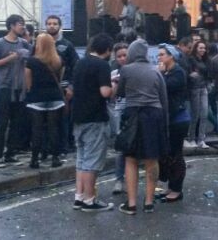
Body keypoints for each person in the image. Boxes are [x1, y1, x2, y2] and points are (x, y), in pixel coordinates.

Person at [117, 39, 169, 215]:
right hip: (154, 115)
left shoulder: (126, 70)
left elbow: (121, 93)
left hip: (133, 115)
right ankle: (149, 202)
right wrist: (165, 125)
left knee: (130, 159)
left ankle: (131, 204)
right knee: (151, 159)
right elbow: (164, 99)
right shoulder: (156, 72)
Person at [71, 33, 115, 213]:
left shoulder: (80, 63)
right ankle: (90, 200)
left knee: (81, 159)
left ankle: (79, 197)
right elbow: (105, 92)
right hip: (95, 117)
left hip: (78, 116)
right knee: (92, 161)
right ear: (107, 50)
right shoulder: (102, 65)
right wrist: (115, 85)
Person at [0, 14, 31, 167]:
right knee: (3, 121)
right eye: (20, 24)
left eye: (23, 24)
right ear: (11, 26)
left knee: (17, 122)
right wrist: (9, 59)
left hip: (20, 87)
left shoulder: (24, 43)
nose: (22, 27)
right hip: (4, 86)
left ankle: (11, 153)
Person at [23, 33, 65, 169]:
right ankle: (55, 158)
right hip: (55, 97)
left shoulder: (31, 61)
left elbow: (28, 83)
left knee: (37, 129)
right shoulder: (58, 60)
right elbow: (60, 79)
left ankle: (35, 159)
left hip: (37, 98)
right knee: (54, 128)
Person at [156, 44, 190, 203]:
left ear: (171, 56)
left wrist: (161, 74)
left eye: (162, 54)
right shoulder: (167, 72)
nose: (159, 57)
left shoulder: (178, 73)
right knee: (167, 154)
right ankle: (170, 185)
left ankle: (177, 189)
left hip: (178, 119)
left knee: (176, 155)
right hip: (167, 119)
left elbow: (165, 87)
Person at [45, 15, 80, 157]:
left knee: (64, 119)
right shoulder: (40, 44)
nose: (51, 26)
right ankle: (47, 148)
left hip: (63, 88)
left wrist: (71, 86)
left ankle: (64, 147)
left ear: (60, 26)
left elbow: (75, 67)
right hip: (45, 88)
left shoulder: (67, 45)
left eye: (54, 23)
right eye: (49, 23)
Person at [109, 42, 129, 195]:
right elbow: (112, 96)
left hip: (135, 110)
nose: (122, 58)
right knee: (121, 147)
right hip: (119, 111)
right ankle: (119, 180)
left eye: (125, 55)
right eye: (119, 56)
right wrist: (115, 83)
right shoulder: (114, 72)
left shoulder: (136, 70)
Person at [186, 40, 211, 149]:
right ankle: (192, 139)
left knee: (204, 114)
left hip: (203, 88)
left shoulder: (206, 60)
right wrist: (191, 75)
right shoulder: (191, 59)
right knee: (195, 115)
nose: (203, 50)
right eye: (200, 48)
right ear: (196, 48)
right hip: (195, 89)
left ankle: (201, 140)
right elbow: (188, 73)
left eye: (204, 48)